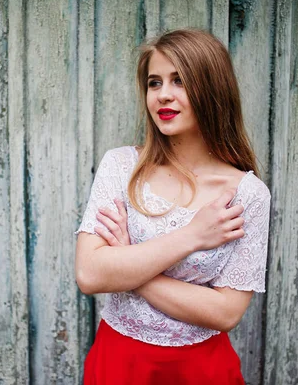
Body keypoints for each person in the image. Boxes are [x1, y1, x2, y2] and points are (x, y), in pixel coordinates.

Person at [74, 28, 271, 384]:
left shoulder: (247, 195)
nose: (163, 95)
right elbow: (89, 274)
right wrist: (192, 236)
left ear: (212, 89)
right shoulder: (121, 167)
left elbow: (226, 312)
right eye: (154, 83)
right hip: (119, 364)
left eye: (179, 80)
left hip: (201, 371)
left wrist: (129, 266)